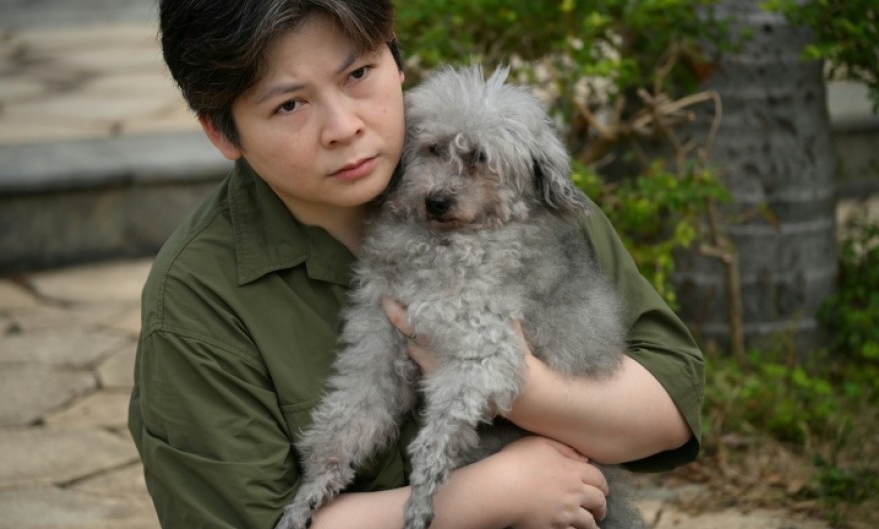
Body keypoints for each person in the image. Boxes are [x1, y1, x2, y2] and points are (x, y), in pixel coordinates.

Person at [127, 1, 704, 528]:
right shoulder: (197, 300)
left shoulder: (518, 194)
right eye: (289, 104)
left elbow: (668, 409)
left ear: (396, 59)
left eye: (358, 75)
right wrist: (489, 493)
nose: (344, 127)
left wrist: (516, 385)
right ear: (221, 132)